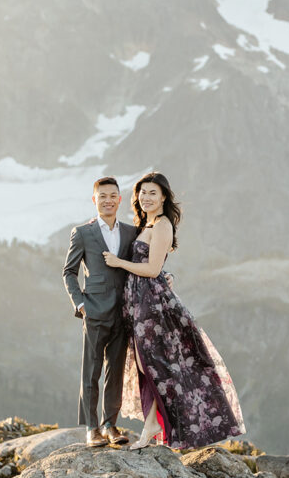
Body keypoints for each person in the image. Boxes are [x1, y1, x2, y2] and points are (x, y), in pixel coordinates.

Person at [103, 172, 245, 450]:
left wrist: (119, 263)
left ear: (164, 197)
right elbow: (156, 265)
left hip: (153, 304)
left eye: (152, 193)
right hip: (139, 301)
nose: (146, 197)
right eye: (142, 192)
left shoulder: (163, 224)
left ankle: (154, 426)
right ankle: (155, 423)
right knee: (147, 364)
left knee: (153, 363)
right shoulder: (148, 223)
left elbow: (152, 269)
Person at [62, 176, 137, 447]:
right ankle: (91, 428)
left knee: (115, 371)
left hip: (123, 311)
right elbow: (68, 272)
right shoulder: (82, 233)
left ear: (119, 199)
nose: (107, 200)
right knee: (91, 371)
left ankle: (110, 425)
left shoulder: (131, 232)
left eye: (112, 196)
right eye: (102, 196)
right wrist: (80, 304)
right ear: (94, 200)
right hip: (93, 311)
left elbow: (143, 263)